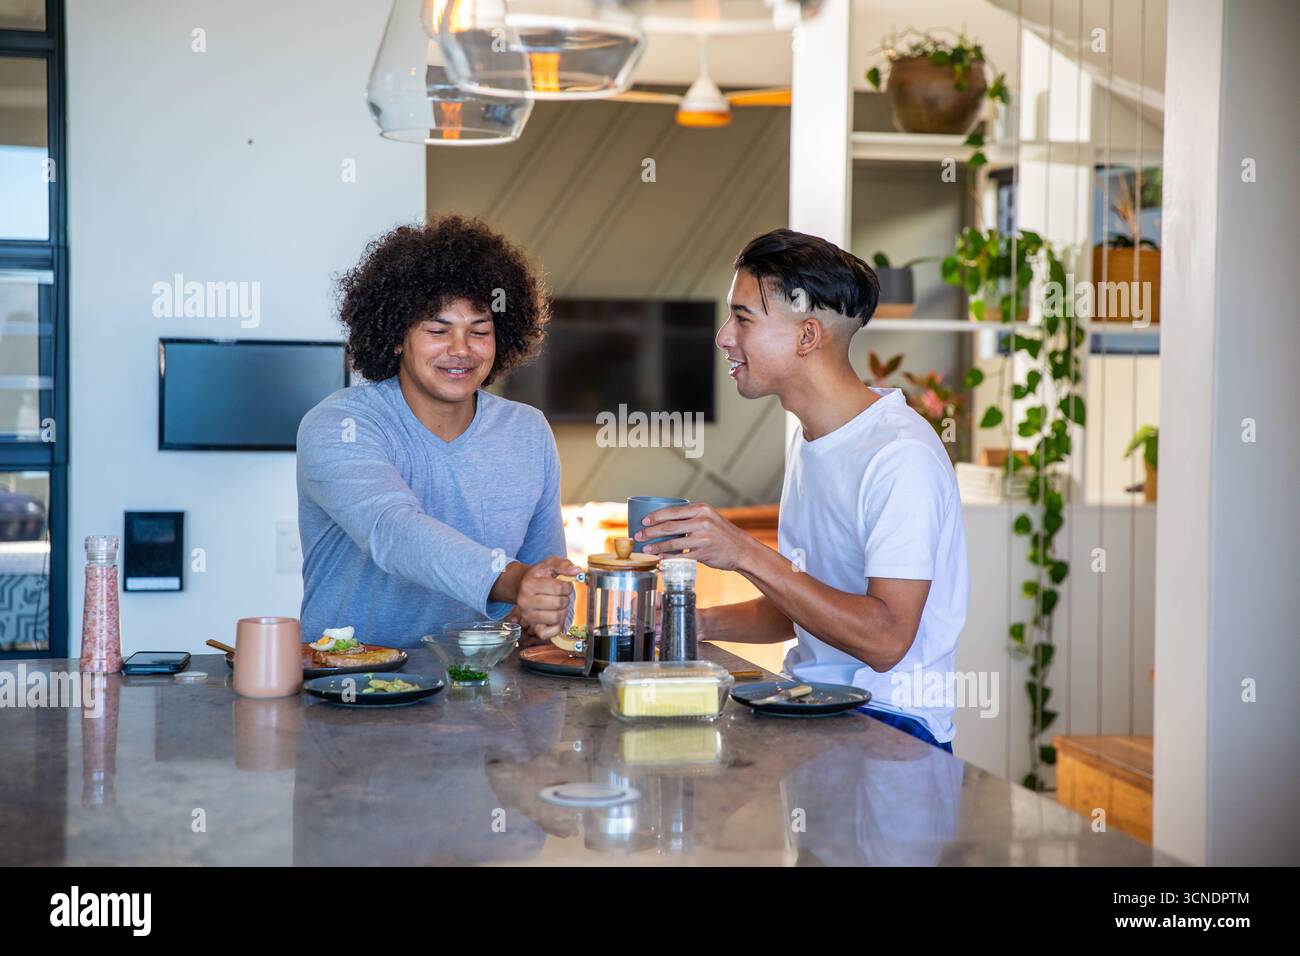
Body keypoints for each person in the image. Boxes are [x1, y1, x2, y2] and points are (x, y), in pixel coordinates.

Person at [637, 229, 969, 751]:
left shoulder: (899, 454)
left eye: (743, 319)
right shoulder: (812, 439)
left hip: (892, 727)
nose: (724, 337)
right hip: (813, 704)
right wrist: (695, 622)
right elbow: (806, 605)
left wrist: (745, 552)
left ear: (807, 336)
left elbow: (885, 640)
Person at [296, 216, 579, 648]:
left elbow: (548, 580)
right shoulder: (340, 425)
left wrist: (544, 607)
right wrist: (511, 580)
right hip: (350, 679)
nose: (461, 349)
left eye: (479, 331)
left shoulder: (528, 431)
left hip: (482, 680)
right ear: (396, 337)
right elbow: (392, 531)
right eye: (437, 330)